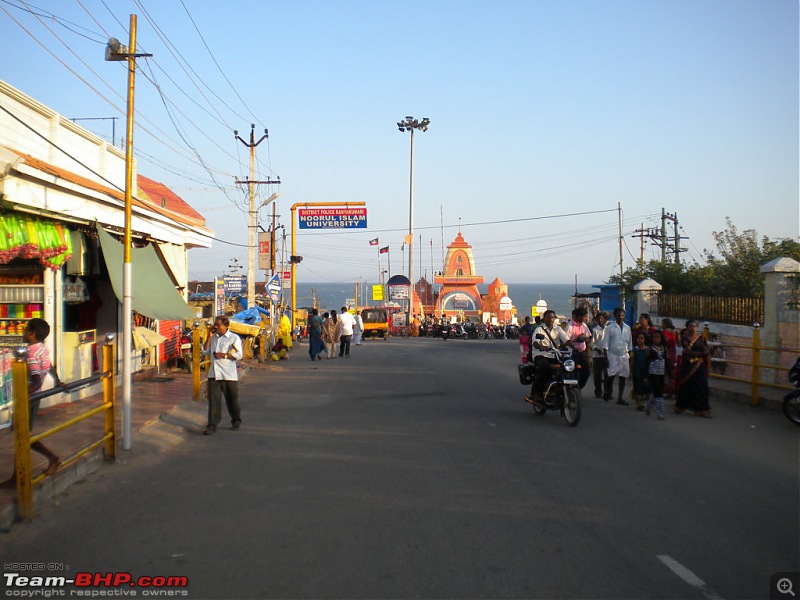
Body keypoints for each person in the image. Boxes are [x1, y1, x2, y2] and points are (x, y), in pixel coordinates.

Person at [1, 318, 64, 488]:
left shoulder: (30, 353)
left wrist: (22, 394)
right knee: (22, 435)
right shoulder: (42, 349)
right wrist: (58, 381)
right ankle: (17, 477)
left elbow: (36, 380)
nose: (23, 332)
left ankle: (52, 458)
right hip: (35, 398)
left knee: (22, 435)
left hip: (28, 399)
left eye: (25, 329)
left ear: (32, 333)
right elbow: (50, 366)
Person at [202, 316, 243, 435]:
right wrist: (208, 338)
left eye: (218, 325)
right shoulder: (214, 338)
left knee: (232, 399)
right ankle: (212, 424)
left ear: (226, 326)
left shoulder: (233, 338)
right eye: (215, 324)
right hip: (214, 373)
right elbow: (205, 351)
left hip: (228, 374)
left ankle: (236, 420)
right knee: (213, 401)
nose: (216, 327)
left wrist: (224, 355)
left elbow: (239, 354)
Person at [524, 310, 568, 407]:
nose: (551, 319)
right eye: (549, 317)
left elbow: (566, 340)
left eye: (553, 317)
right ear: (544, 318)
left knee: (566, 366)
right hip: (541, 355)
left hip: (554, 354)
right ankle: (538, 394)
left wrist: (575, 348)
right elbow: (535, 342)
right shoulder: (539, 329)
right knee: (545, 368)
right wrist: (541, 346)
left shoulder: (558, 329)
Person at [674, 320, 712, 418]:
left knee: (702, 386)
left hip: (700, 365)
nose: (693, 328)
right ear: (687, 328)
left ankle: (702, 409)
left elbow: (706, 349)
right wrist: (702, 354)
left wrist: (704, 353)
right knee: (687, 385)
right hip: (688, 366)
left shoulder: (701, 338)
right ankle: (681, 406)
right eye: (690, 326)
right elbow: (688, 352)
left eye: (694, 326)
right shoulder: (685, 339)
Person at [602, 307, 633, 405]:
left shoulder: (627, 328)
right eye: (619, 315)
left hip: (624, 355)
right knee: (611, 375)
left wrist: (630, 354)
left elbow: (630, 343)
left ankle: (620, 398)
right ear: (615, 316)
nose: (621, 317)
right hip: (612, 355)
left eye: (622, 315)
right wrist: (606, 357)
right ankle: (607, 391)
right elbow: (605, 344)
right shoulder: (610, 328)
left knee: (623, 376)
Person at [645, 329, 668, 420]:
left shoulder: (664, 349)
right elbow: (646, 362)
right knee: (659, 393)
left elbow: (667, 362)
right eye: (654, 337)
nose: (656, 339)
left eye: (658, 337)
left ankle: (648, 407)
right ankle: (660, 413)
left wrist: (669, 375)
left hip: (661, 373)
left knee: (657, 392)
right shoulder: (650, 349)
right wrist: (646, 376)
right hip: (653, 373)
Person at [566, 307, 591, 390]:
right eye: (584, 316)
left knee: (586, 372)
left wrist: (584, 338)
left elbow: (588, 337)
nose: (585, 318)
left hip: (582, 352)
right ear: (578, 316)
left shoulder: (583, 325)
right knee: (572, 372)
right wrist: (575, 340)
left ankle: (578, 387)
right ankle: (570, 389)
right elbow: (565, 340)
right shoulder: (570, 326)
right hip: (572, 353)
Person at [590, 311, 609, 398]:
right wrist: (596, 348)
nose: (601, 320)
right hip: (597, 356)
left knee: (607, 374)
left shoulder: (608, 330)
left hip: (607, 355)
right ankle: (598, 391)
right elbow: (592, 343)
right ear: (597, 320)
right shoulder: (595, 330)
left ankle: (606, 391)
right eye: (599, 318)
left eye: (602, 318)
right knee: (597, 374)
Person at [630, 331, 651, 411]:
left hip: (645, 371)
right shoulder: (634, 349)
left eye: (642, 338)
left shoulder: (648, 350)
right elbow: (632, 361)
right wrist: (631, 372)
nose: (639, 340)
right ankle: (639, 403)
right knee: (637, 386)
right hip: (637, 370)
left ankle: (644, 402)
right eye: (638, 338)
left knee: (645, 386)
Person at [660, 318, 679, 397]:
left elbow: (664, 341)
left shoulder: (665, 332)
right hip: (672, 354)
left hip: (666, 354)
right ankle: (671, 390)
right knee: (671, 373)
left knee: (666, 373)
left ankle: (667, 390)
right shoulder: (673, 333)